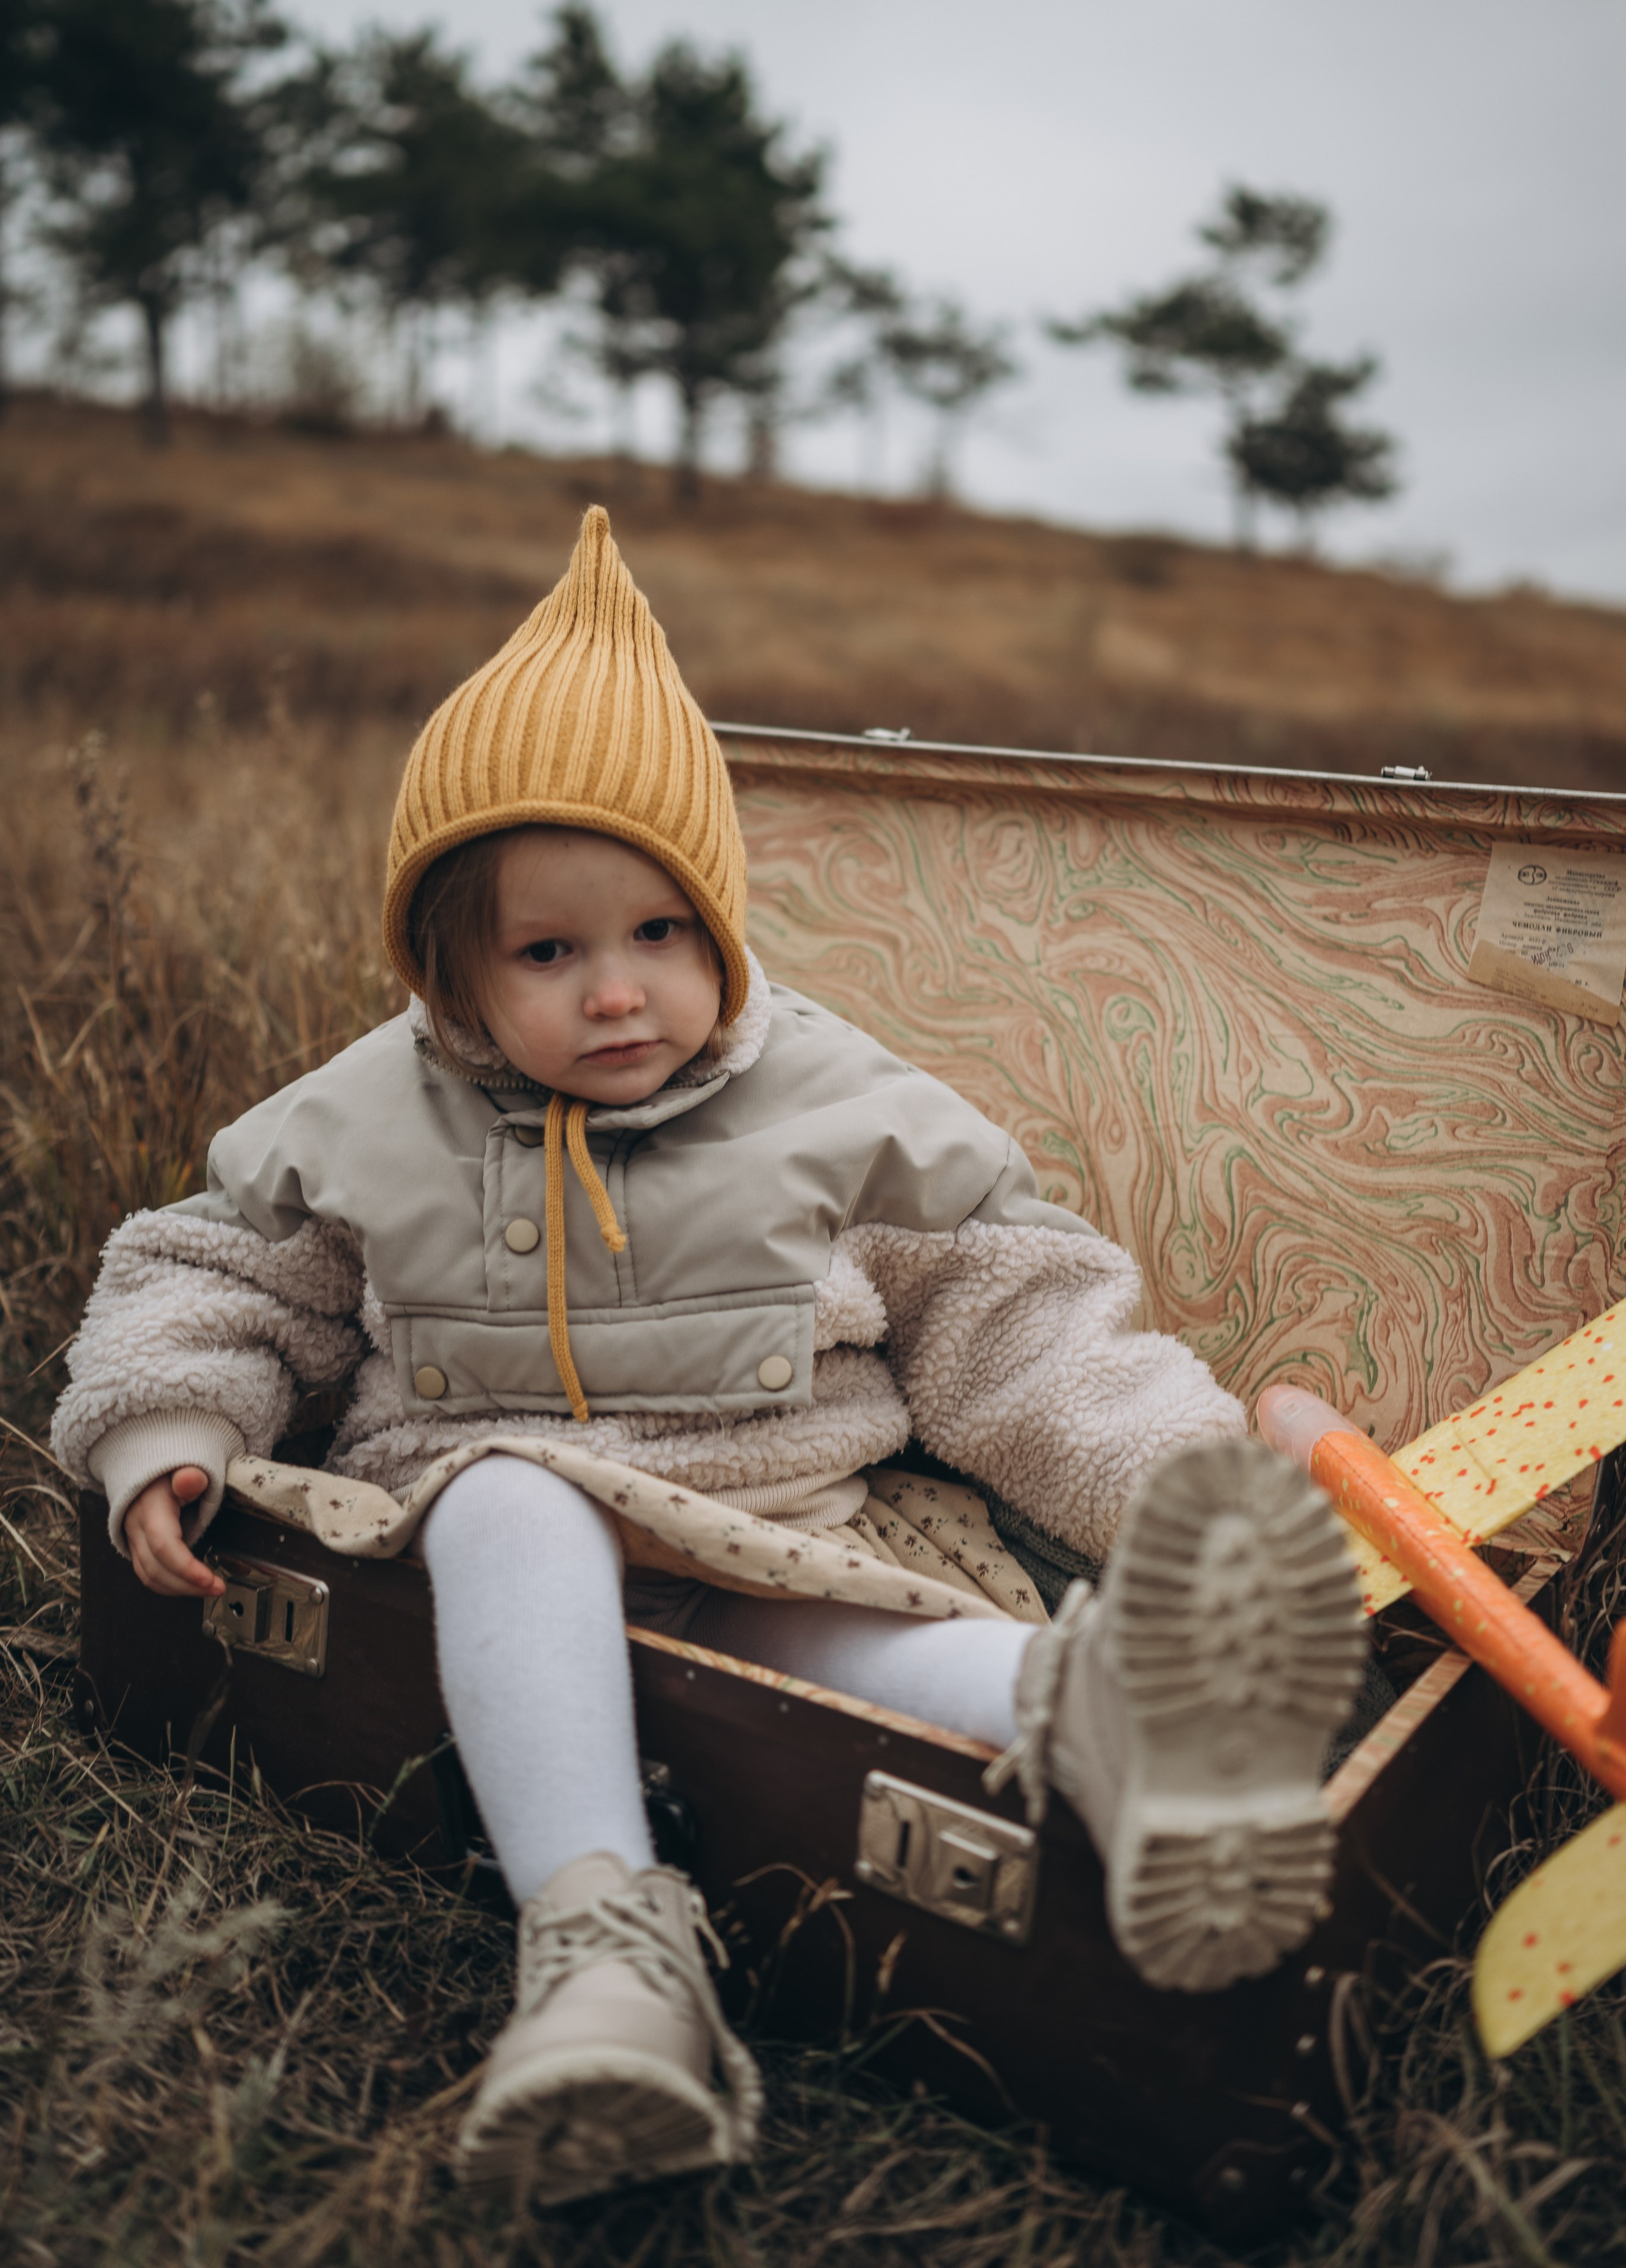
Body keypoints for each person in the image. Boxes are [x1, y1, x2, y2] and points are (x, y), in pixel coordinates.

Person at [51, 508, 1366, 2203]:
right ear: (447, 964)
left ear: (720, 921)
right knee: (511, 1492)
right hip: (492, 1528)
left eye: (661, 932)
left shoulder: (836, 1103)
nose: (618, 992)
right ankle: (609, 1953)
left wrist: (1194, 1494)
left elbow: (1019, 1315)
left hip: (781, 1521)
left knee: (863, 1651)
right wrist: (169, 1420)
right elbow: (213, 1261)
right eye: (551, 950)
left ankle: (1116, 1712)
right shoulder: (370, 1112)